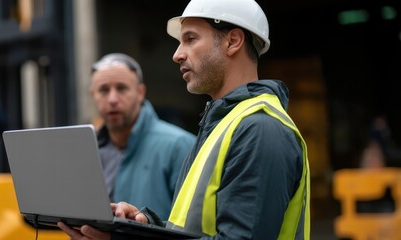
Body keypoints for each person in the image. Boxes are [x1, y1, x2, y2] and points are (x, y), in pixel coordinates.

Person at [58, 0, 310, 239]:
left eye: (190, 39)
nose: (177, 54)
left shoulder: (259, 129)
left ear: (232, 41)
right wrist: (140, 226)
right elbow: (194, 229)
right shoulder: (223, 125)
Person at [90, 53, 196, 221]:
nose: (112, 99)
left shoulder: (180, 146)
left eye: (121, 88)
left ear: (140, 92)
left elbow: (193, 226)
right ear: (92, 95)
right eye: (103, 90)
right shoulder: (89, 150)